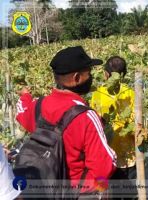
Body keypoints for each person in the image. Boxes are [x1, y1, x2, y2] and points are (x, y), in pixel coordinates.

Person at [16, 46, 116, 199]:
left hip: (45, 187)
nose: (91, 77)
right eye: (89, 73)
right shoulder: (86, 116)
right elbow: (103, 167)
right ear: (77, 78)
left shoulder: (39, 105)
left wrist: (25, 96)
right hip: (77, 192)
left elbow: (21, 112)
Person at [90, 56, 137, 199]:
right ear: (124, 74)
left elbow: (95, 122)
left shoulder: (98, 93)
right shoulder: (130, 92)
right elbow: (137, 120)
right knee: (130, 192)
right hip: (128, 152)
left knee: (111, 193)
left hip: (107, 154)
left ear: (106, 74)